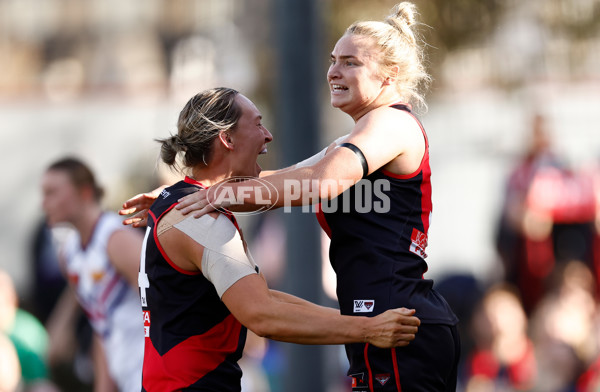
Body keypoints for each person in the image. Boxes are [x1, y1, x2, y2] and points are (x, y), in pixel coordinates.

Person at [122, 3, 458, 391]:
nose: (333, 71)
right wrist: (177, 194)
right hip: (380, 320)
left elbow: (316, 184)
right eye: (334, 60)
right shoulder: (356, 139)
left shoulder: (391, 123)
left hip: (400, 320)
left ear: (390, 75)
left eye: (350, 62)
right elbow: (285, 178)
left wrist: (207, 193)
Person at [130, 86, 419, 391]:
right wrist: (368, 329)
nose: (268, 135)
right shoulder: (200, 216)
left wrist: (359, 321)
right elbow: (262, 314)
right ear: (227, 139)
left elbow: (263, 297)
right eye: (257, 124)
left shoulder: (179, 201)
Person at [41, 157, 144, 391]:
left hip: (157, 374)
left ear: (84, 192)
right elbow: (102, 326)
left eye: (52, 193)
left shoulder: (117, 240)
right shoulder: (69, 253)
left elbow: (167, 306)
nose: (44, 203)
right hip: (126, 374)